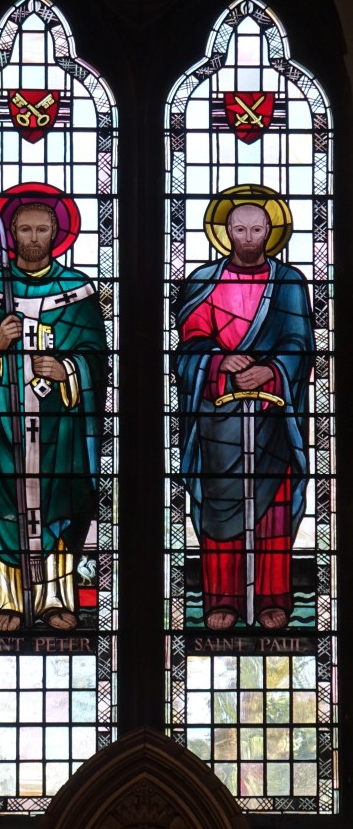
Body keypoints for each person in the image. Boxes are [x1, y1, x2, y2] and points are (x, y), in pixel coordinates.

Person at [0, 185, 107, 632]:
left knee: (57, 503)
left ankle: (54, 600)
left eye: (42, 229)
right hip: (2, 424)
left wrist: (67, 369)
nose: (34, 238)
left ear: (57, 233)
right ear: (12, 233)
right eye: (25, 229)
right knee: (2, 502)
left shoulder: (77, 291)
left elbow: (96, 356)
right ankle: (3, 600)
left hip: (59, 426)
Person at [175, 190, 314, 631]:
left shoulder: (289, 282)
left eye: (257, 230)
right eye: (240, 229)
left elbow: (300, 343)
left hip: (274, 415)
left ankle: (273, 599)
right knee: (220, 508)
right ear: (226, 232)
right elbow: (188, 346)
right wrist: (220, 361)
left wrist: (270, 370)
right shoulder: (203, 281)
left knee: (272, 509)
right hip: (217, 418)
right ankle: (222, 601)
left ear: (271, 231)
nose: (249, 238)